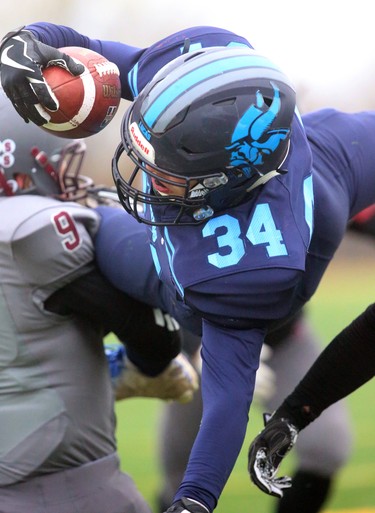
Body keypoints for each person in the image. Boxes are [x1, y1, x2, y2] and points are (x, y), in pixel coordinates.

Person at [2, 23, 375, 513]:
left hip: (218, 298)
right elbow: (97, 52)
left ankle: (138, 359)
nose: (147, 175)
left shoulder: (245, 265)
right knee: (79, 229)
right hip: (216, 271)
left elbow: (227, 400)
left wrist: (195, 499)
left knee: (81, 233)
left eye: (167, 170)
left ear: (230, 179)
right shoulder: (212, 71)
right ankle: (138, 349)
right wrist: (23, 44)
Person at [0, 88, 198, 513]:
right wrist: (130, 367)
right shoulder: (31, 232)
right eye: (59, 162)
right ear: (16, 169)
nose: (74, 177)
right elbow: (156, 337)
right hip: (58, 484)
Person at [157, 312, 352, 513]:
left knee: (326, 445)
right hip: (205, 346)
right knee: (180, 474)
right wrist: (198, 348)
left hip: (282, 343)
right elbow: (159, 288)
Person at [247, 303, 375, 499]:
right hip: (196, 345)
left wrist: (292, 415)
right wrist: (194, 348)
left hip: (282, 341)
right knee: (186, 467)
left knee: (326, 445)